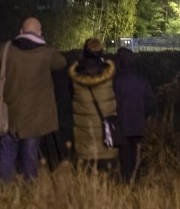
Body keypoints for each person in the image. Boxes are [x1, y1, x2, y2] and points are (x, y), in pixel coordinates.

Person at [0, 17, 67, 182]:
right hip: (35, 117)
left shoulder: (6, 50)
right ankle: (29, 191)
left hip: (9, 113)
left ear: (20, 32)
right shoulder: (47, 54)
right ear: (40, 33)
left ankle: (3, 191)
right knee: (30, 155)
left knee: (6, 154)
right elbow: (62, 63)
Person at [67, 37, 118, 171]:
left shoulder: (75, 76)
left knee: (86, 178)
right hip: (107, 138)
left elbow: (70, 96)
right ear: (101, 53)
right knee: (109, 180)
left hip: (85, 138)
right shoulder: (110, 74)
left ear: (84, 52)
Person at [113, 46, 156, 183]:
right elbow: (150, 102)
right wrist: (145, 115)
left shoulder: (116, 82)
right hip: (138, 125)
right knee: (136, 158)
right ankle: (135, 183)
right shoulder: (142, 80)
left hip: (121, 126)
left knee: (125, 160)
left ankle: (126, 186)